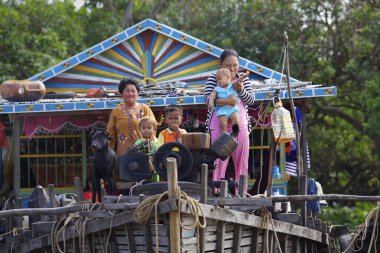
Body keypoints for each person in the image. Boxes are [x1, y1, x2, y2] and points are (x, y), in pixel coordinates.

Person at [204, 49, 254, 192]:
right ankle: (217, 193)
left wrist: (241, 90)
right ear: (221, 65)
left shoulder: (243, 79)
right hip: (219, 124)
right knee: (219, 161)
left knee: (242, 161)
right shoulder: (214, 78)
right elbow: (207, 100)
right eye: (228, 65)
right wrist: (228, 101)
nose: (232, 69)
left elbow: (251, 100)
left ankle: (242, 194)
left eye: (235, 65)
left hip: (240, 125)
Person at [107, 78, 155, 157]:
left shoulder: (145, 109)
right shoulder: (116, 112)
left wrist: (150, 147)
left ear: (137, 93)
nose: (130, 93)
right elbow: (110, 134)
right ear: (122, 93)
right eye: (127, 91)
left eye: (133, 91)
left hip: (144, 154)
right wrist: (109, 154)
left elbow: (153, 129)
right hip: (123, 155)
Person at [208, 68, 249, 135]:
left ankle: (235, 129)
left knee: (235, 118)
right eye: (217, 80)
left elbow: (239, 81)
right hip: (222, 109)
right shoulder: (217, 89)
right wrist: (210, 103)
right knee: (222, 122)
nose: (218, 81)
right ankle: (224, 133)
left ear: (227, 78)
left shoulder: (232, 85)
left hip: (232, 108)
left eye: (220, 79)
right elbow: (212, 96)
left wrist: (243, 76)